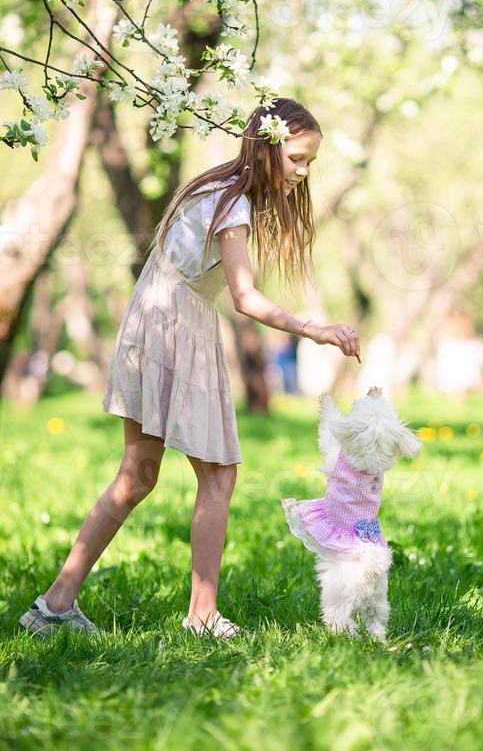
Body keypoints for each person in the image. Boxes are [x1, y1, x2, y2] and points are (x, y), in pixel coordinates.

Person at [19, 97, 361, 639]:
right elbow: (246, 299)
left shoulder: (216, 190)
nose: (301, 173)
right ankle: (200, 616)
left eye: (308, 164)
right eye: (296, 158)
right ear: (268, 148)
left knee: (138, 476)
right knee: (214, 475)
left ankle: (53, 607)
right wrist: (315, 329)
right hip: (172, 329)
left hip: (160, 320)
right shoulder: (234, 205)